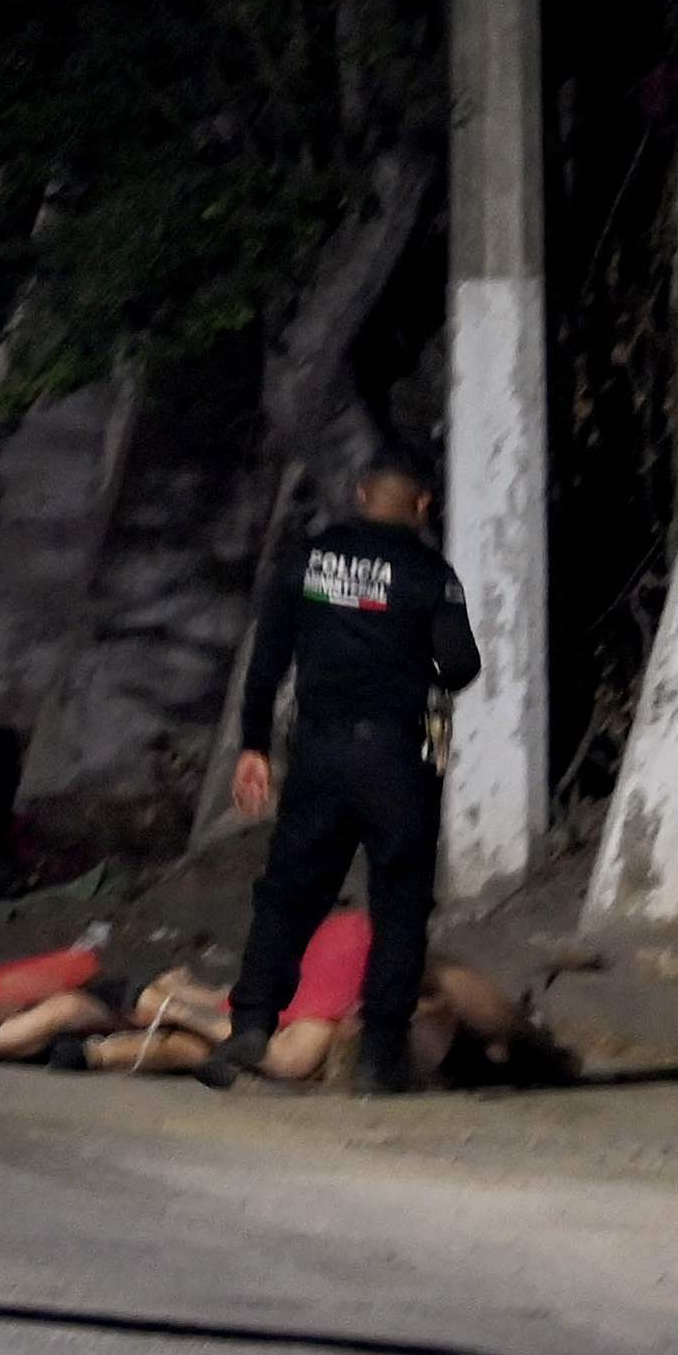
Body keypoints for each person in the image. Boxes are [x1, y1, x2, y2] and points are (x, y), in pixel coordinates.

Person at [217, 458, 480, 1093]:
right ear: (423, 507)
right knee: (398, 905)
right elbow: (460, 664)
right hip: (398, 759)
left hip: (319, 756)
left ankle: (252, 1022)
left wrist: (254, 744)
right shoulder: (429, 574)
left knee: (289, 891)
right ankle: (378, 1056)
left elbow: (267, 660)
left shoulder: (308, 561)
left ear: (362, 495)